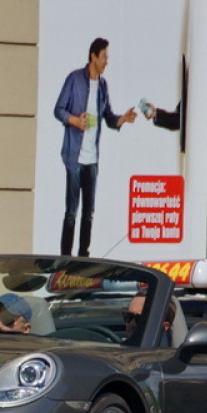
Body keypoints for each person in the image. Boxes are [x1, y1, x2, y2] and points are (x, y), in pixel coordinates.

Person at [53, 37, 137, 258]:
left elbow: (108, 118)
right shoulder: (74, 79)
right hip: (74, 157)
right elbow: (58, 110)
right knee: (72, 212)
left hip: (92, 159)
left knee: (88, 214)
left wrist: (123, 119)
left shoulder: (102, 86)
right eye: (104, 57)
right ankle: (65, 258)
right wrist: (74, 120)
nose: (106, 61)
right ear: (93, 56)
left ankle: (83, 257)